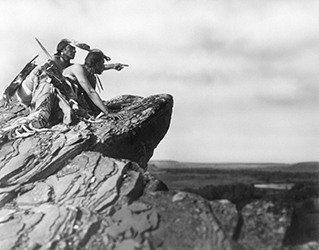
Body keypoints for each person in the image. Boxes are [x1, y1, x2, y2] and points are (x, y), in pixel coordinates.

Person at [62, 49, 127, 118]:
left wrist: (113, 66)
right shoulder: (78, 69)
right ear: (95, 64)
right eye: (102, 63)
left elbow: (99, 67)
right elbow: (90, 92)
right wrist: (107, 112)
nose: (103, 66)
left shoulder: (89, 72)